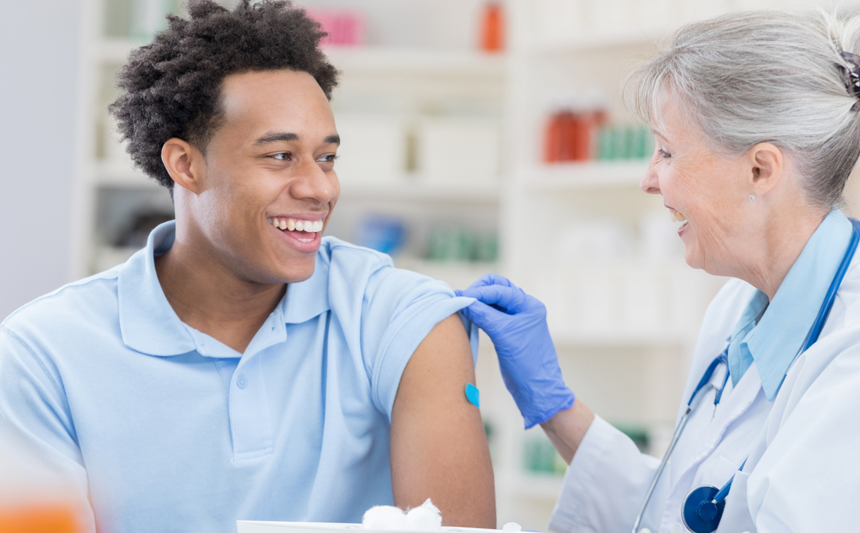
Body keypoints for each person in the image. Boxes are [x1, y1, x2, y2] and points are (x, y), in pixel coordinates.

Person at [0, 2, 495, 532]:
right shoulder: (43, 354)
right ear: (185, 165)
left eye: (326, 157)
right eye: (280, 156)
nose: (321, 188)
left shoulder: (402, 320)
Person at [458, 9, 860, 533]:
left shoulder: (848, 359)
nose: (649, 179)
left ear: (760, 169)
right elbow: (684, 506)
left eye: (667, 151)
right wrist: (555, 407)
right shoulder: (736, 312)